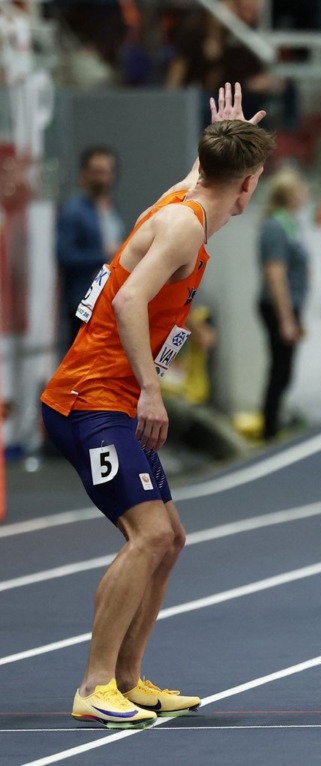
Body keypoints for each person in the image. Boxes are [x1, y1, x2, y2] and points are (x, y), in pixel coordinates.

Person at [40, 83, 274, 728]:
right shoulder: (182, 224)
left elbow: (204, 169)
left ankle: (129, 678)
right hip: (91, 399)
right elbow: (127, 301)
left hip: (106, 399)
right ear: (248, 187)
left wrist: (223, 140)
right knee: (148, 537)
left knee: (169, 539)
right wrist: (150, 388)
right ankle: (95, 685)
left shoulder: (184, 199)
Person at [56, 146, 124, 358]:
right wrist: (103, 253)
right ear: (84, 175)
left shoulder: (111, 210)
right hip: (83, 298)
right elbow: (65, 255)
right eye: (96, 172)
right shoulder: (74, 211)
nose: (102, 178)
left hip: (109, 297)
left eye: (106, 172)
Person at [257, 168, 310, 441]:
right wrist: (286, 318)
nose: (305, 194)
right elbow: (275, 274)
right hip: (277, 306)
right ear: (289, 194)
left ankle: (274, 422)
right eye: (300, 189)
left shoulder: (291, 224)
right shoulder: (276, 226)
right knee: (280, 368)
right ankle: (269, 429)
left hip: (291, 304)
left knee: (285, 368)